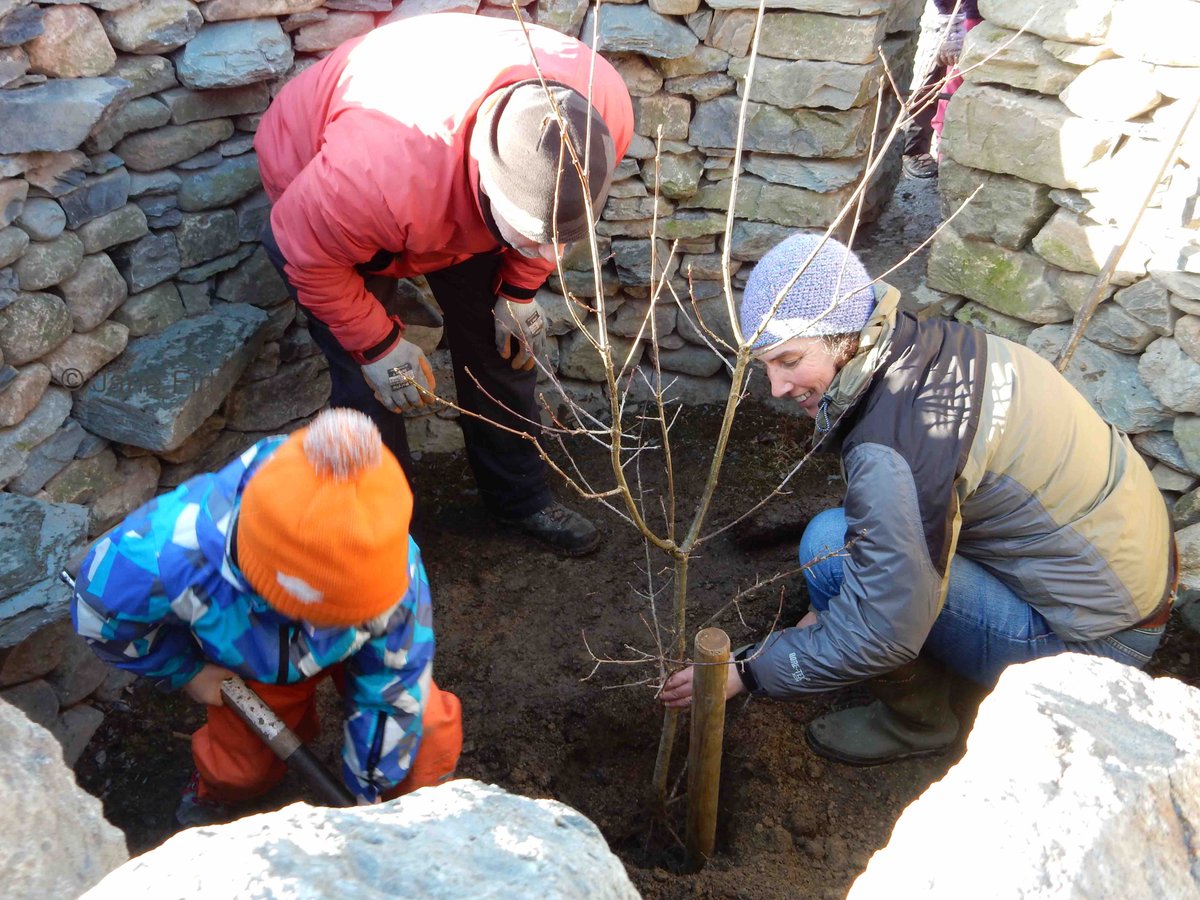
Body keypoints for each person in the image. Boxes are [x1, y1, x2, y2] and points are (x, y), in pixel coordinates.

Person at [661, 233, 1177, 766]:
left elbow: (884, 632)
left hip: (1097, 648)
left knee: (830, 550)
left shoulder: (901, 446)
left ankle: (920, 724)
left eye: (789, 359)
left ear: (842, 335)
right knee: (851, 551)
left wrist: (748, 671)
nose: (775, 386)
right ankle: (851, 635)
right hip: (1122, 580)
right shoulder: (940, 348)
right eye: (767, 365)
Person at [253, 13, 634, 556]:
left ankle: (520, 499)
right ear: (487, 188)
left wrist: (519, 290)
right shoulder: (368, 177)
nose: (545, 254)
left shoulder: (599, 108)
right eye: (529, 239)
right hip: (330, 204)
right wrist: (376, 344)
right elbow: (307, 254)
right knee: (369, 384)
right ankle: (383, 545)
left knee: (504, 347)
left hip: (453, 191)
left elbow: (554, 222)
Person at [71, 408, 463, 825]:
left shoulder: (390, 565)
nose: (332, 626)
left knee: (425, 731)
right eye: (325, 615)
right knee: (239, 767)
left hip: (367, 645)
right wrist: (186, 672)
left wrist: (372, 787)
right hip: (252, 656)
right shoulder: (160, 556)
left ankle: (421, 813)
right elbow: (103, 616)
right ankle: (218, 791)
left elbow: (395, 684)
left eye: (352, 614)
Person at [902, 0, 982, 179]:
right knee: (945, 84)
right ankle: (920, 152)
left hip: (994, 20)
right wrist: (953, 25)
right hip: (963, 17)